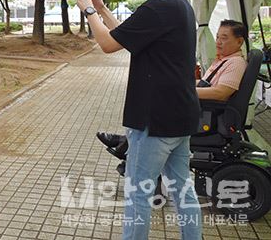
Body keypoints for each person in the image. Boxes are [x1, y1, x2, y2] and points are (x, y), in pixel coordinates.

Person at [76, 0, 201, 240]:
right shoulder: (181, 5)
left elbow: (107, 45)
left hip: (154, 121)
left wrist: (89, 11)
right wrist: (103, 9)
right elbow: (125, 36)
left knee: (138, 197)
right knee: (184, 191)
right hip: (180, 119)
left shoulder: (158, 7)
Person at [98, 19, 249, 157]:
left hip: (210, 115)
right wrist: (177, 83)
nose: (218, 42)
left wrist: (183, 92)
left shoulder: (235, 63)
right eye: (217, 37)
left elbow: (220, 93)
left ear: (239, 41)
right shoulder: (222, 60)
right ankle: (127, 141)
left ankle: (126, 143)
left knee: (157, 107)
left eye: (224, 38)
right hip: (201, 108)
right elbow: (203, 83)